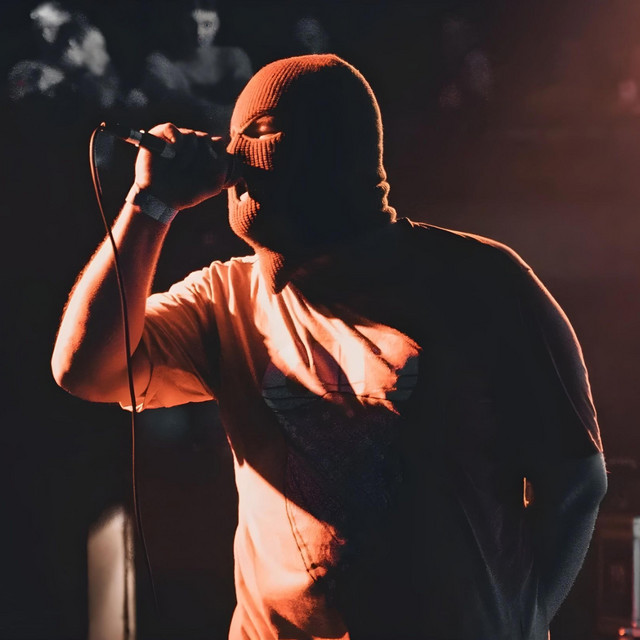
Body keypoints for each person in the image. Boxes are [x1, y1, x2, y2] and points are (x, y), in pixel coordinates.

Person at [52, 54, 607, 640]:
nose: (237, 157)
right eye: (238, 138)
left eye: (262, 134)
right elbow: (85, 369)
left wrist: (523, 621)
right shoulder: (228, 298)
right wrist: (149, 206)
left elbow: (574, 483)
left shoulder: (481, 281)